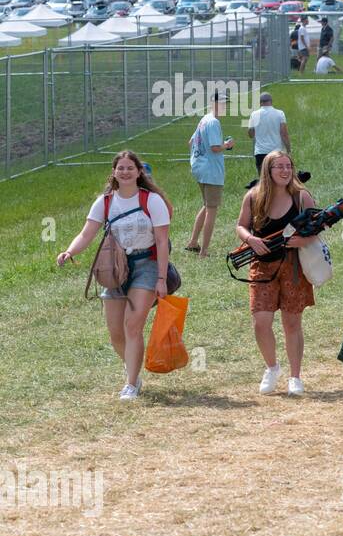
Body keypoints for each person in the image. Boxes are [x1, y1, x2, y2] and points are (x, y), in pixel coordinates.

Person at [56, 150, 172, 400]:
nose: (125, 171)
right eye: (121, 168)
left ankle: (130, 384)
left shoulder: (152, 200)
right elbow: (87, 233)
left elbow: (162, 242)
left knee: (132, 325)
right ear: (114, 172)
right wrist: (69, 251)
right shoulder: (105, 202)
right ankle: (133, 368)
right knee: (115, 333)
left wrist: (161, 278)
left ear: (139, 171)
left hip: (146, 264)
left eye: (130, 167)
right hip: (115, 268)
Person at [235, 150, 316, 397]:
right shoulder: (253, 196)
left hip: (293, 267)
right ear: (267, 171)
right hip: (262, 265)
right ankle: (272, 367)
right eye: (279, 167)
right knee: (261, 322)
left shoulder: (301, 196)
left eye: (288, 166)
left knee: (292, 323)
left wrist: (303, 241)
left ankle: (295, 376)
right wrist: (250, 239)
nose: (284, 171)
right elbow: (241, 225)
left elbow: (316, 228)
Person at [185, 91, 233, 257]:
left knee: (206, 205)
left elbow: (191, 142)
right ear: (214, 103)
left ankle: (193, 242)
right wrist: (226, 145)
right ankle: (204, 252)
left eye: (226, 103)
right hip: (211, 171)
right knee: (212, 209)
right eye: (222, 103)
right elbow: (215, 147)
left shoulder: (204, 119)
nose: (225, 106)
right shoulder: (213, 122)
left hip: (199, 167)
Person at [247, 91, 289, 174]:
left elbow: (251, 134)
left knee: (263, 179)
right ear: (271, 101)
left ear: (260, 102)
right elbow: (284, 134)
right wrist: (288, 149)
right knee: (276, 178)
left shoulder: (254, 114)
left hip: (260, 152)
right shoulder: (280, 113)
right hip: (276, 152)